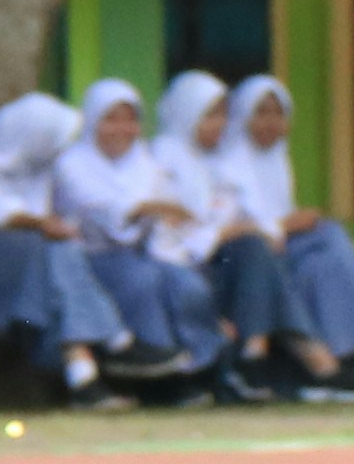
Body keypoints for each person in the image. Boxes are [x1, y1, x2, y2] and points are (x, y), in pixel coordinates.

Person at [177, 74, 354, 395]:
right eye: (260, 113)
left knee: (322, 257)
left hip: (269, 252)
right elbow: (237, 227)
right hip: (245, 262)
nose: (270, 123)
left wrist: (287, 225)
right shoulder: (226, 162)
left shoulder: (276, 160)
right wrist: (286, 225)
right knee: (324, 236)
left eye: (278, 113)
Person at [0, 93, 130, 401]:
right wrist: (48, 227)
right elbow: (3, 216)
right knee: (40, 243)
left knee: (55, 253)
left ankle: (81, 369)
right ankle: (115, 338)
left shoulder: (38, 170)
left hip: (17, 280)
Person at [43, 81, 224, 393]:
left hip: (142, 255)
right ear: (92, 120)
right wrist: (144, 208)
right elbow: (96, 208)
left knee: (186, 284)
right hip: (91, 259)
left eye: (130, 120)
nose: (122, 129)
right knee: (141, 278)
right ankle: (152, 377)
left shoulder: (145, 163)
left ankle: (196, 367)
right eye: (110, 119)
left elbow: (174, 219)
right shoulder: (71, 163)